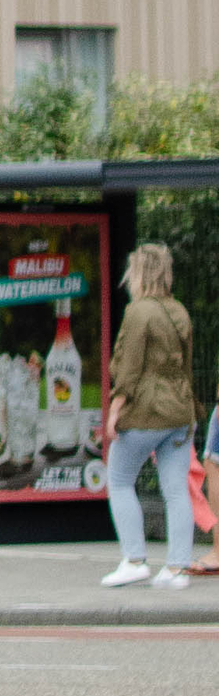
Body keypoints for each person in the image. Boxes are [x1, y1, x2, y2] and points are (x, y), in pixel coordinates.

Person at [103, 240, 198, 589]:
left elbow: (129, 369)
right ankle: (176, 569)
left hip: (147, 411)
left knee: (119, 478)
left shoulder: (139, 311)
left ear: (139, 273)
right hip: (180, 411)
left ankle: (134, 559)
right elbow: (185, 366)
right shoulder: (179, 311)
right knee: (176, 491)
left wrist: (115, 408)